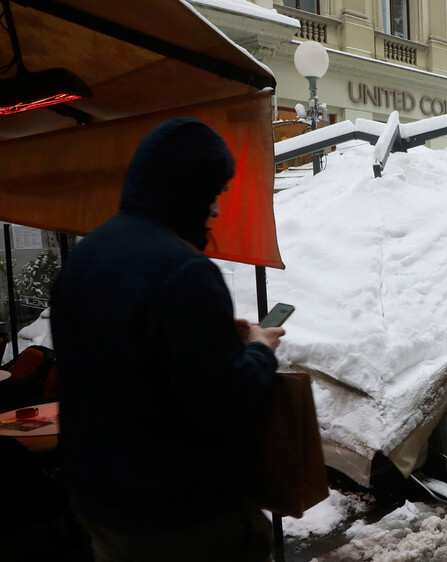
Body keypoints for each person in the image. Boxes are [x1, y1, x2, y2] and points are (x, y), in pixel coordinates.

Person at [50, 119, 284, 562]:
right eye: (212, 192)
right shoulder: (185, 270)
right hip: (184, 522)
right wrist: (257, 349)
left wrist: (213, 339)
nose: (215, 211)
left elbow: (131, 363)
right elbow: (225, 400)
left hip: (102, 510)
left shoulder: (83, 260)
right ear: (187, 189)